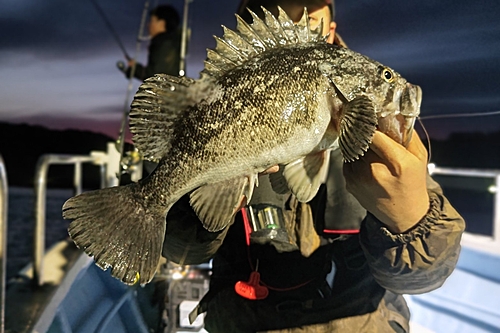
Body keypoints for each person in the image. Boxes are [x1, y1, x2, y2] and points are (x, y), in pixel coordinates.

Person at [161, 0, 466, 332]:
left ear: (331, 32)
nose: (293, 31)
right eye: (272, 16)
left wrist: (411, 219)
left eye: (306, 22)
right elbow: (182, 249)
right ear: (245, 28)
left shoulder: (382, 128)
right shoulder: (208, 108)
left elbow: (427, 276)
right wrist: (208, 190)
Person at [125, 4, 182, 81]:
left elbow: (155, 77)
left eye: (152, 21)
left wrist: (135, 69)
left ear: (162, 23)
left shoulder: (165, 45)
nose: (148, 25)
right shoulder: (172, 43)